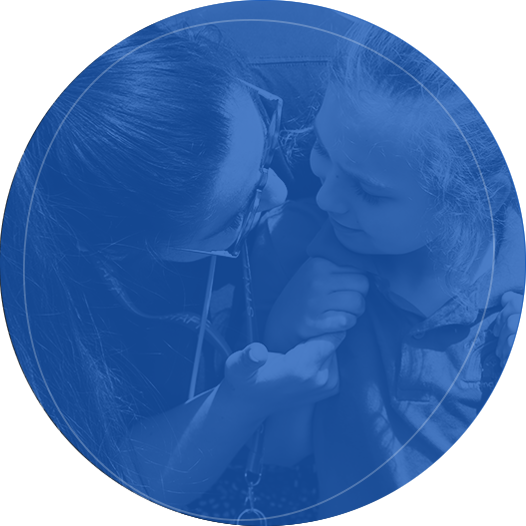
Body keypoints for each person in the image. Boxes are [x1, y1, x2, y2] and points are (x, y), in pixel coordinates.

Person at [2, 18, 359, 524]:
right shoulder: (39, 312)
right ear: (117, 255)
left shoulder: (327, 85)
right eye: (235, 219)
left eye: (268, 137)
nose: (280, 191)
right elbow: (115, 476)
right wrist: (238, 403)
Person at [251, 18, 524, 519]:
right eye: (321, 149)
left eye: (369, 192)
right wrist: (285, 339)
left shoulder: (508, 307)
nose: (326, 198)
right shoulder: (290, 244)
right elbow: (280, 456)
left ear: (470, 198)